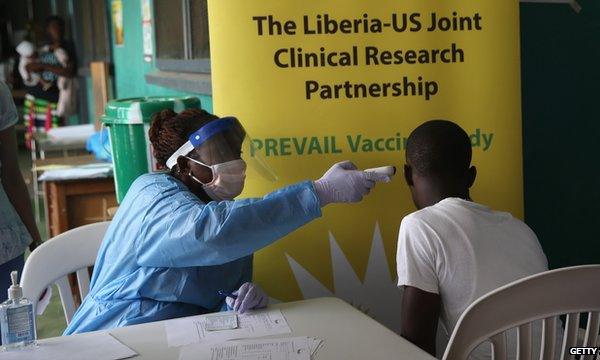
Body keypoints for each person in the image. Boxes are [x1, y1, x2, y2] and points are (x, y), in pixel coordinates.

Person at [64, 108, 389, 335]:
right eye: (221, 153)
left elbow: (208, 292)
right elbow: (209, 236)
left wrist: (237, 301)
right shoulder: (152, 194)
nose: (236, 163)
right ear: (183, 164)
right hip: (112, 336)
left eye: (236, 152)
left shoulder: (221, 210)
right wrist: (319, 193)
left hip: (176, 341)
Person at [396, 120, 558, 359]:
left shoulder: (419, 225)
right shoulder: (521, 229)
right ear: (471, 176)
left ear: (408, 175)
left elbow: (416, 345)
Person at [0, 81, 42, 299]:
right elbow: (11, 175)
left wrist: (36, 243)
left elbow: (11, 175)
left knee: (12, 328)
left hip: (6, 246)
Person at [23, 16, 76, 146]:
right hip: (34, 98)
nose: (58, 30)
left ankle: (51, 157)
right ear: (48, 29)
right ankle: (39, 157)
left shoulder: (67, 46)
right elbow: (28, 67)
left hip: (52, 99)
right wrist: (43, 66)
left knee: (52, 135)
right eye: (54, 27)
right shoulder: (43, 48)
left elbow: (68, 72)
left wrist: (44, 66)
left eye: (60, 27)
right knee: (35, 134)